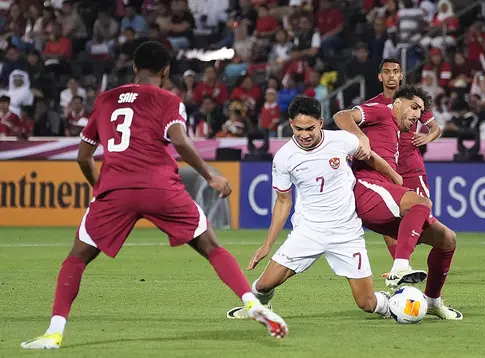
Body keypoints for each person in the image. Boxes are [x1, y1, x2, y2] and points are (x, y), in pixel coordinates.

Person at [20, 41, 288, 350]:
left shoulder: (105, 100)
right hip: (161, 186)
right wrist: (209, 174)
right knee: (211, 247)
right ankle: (251, 302)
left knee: (77, 258)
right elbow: (181, 142)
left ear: (134, 67)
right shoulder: (167, 99)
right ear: (166, 71)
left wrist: (101, 188)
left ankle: (53, 333)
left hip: (116, 187)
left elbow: (83, 156)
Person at [226, 96, 401, 320]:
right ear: (290, 124)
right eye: (298, 129)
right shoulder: (284, 157)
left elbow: (370, 157)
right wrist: (267, 245)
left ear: (320, 122)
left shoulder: (342, 141)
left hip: (346, 232)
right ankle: (260, 307)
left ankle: (394, 304)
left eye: (310, 128)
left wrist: (395, 178)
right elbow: (283, 201)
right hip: (308, 231)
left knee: (367, 303)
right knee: (262, 285)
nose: (304, 134)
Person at [333, 85, 462, 320]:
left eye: (420, 111)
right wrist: (360, 136)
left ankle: (432, 301)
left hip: (385, 190)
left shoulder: (395, 131)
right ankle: (400, 265)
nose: (416, 115)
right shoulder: (382, 111)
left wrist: (394, 177)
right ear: (398, 103)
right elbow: (341, 116)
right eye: (413, 107)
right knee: (421, 202)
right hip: (367, 187)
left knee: (447, 239)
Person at [366, 58, 442, 260]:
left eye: (396, 71)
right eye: (387, 72)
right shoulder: (372, 105)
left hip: (411, 168)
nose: (391, 75)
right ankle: (399, 264)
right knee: (388, 219)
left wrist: (427, 137)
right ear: (380, 76)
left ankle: (430, 251)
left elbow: (435, 128)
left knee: (423, 217)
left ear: (401, 75)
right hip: (387, 169)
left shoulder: (414, 102)